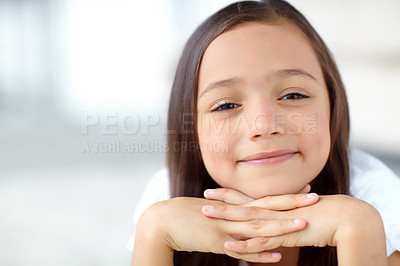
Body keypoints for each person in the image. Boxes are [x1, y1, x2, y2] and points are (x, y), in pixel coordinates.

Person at [130, 1, 400, 265]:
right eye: (226, 105)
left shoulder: (378, 201)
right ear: (192, 130)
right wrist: (153, 233)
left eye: (294, 95)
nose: (263, 126)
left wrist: (358, 230)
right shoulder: (165, 198)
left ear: (332, 105)